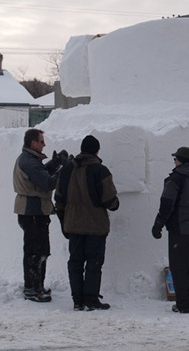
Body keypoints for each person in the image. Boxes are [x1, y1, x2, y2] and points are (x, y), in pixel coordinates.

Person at [55, 135, 119, 311]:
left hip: (73, 224)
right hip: (96, 226)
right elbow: (110, 199)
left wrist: (63, 219)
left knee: (75, 262)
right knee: (94, 263)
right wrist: (115, 204)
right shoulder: (101, 170)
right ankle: (90, 298)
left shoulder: (67, 169)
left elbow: (58, 197)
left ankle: (77, 299)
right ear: (96, 150)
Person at [151, 146, 189, 314]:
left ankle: (183, 305)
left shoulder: (175, 179)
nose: (174, 162)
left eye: (175, 159)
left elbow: (166, 204)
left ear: (180, 161)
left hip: (179, 231)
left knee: (180, 267)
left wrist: (158, 225)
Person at [13, 128, 66, 303]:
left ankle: (37, 286)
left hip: (36, 211)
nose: (44, 144)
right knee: (35, 251)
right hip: (32, 211)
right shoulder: (29, 162)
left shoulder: (30, 160)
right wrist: (63, 170)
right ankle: (32, 288)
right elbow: (47, 182)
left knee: (40, 250)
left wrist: (54, 163)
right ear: (33, 143)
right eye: (42, 141)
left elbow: (42, 173)